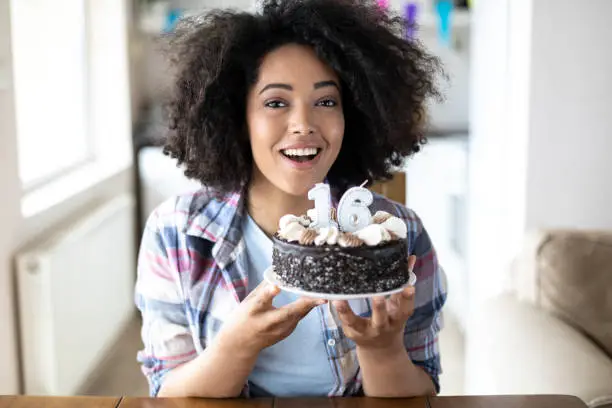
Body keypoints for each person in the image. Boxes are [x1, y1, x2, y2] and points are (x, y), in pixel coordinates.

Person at [135, 0, 447, 399]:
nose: (303, 124)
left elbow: (425, 390)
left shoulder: (401, 236)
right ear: (238, 116)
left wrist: (381, 350)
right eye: (276, 102)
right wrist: (237, 346)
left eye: (326, 102)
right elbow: (167, 391)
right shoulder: (175, 232)